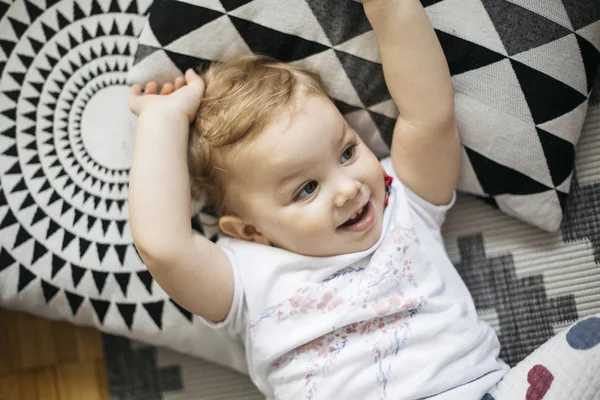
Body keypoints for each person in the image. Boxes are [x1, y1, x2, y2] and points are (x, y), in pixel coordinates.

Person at [127, 0, 509, 398]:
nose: (348, 189)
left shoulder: (402, 201)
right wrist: (162, 120)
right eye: (306, 189)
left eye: (347, 152)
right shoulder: (245, 278)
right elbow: (164, 249)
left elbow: (428, 115)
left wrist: (390, 10)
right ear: (250, 230)